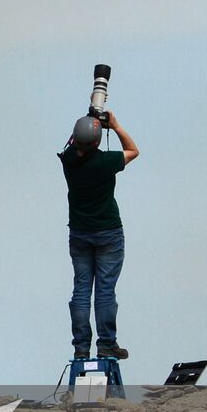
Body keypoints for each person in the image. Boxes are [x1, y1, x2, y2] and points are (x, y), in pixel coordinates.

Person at [59, 111, 138, 361]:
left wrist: (85, 121)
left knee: (81, 290)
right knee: (105, 291)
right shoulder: (105, 163)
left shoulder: (67, 159)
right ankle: (106, 344)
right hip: (108, 233)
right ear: (96, 142)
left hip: (79, 233)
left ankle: (81, 347)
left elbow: (70, 143)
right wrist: (114, 125)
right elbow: (133, 150)